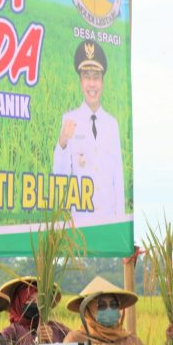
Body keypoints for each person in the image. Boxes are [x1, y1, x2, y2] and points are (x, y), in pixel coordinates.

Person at [52, 39, 126, 221]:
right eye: (87, 77)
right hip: (81, 225)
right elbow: (59, 177)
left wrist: (120, 224)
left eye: (96, 77)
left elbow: (118, 179)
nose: (92, 84)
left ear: (103, 81)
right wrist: (62, 143)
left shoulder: (112, 125)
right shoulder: (69, 120)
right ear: (80, 81)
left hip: (108, 222)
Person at [63, 276, 150, 345]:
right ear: (88, 310)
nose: (109, 309)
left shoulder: (132, 341)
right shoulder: (76, 340)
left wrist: (169, 341)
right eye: (101, 306)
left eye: (113, 305)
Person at [0, 276, 70, 345]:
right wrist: (37, 341)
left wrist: (52, 341)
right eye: (30, 300)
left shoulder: (57, 328)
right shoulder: (10, 333)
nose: (35, 304)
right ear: (18, 302)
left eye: (39, 301)